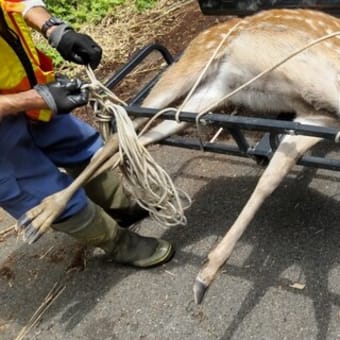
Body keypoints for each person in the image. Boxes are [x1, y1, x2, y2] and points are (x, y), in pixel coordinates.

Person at [0, 0, 174, 268]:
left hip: (29, 95)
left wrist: (54, 29)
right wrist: (31, 99)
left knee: (80, 146)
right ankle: (116, 242)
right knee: (39, 191)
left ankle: (120, 205)